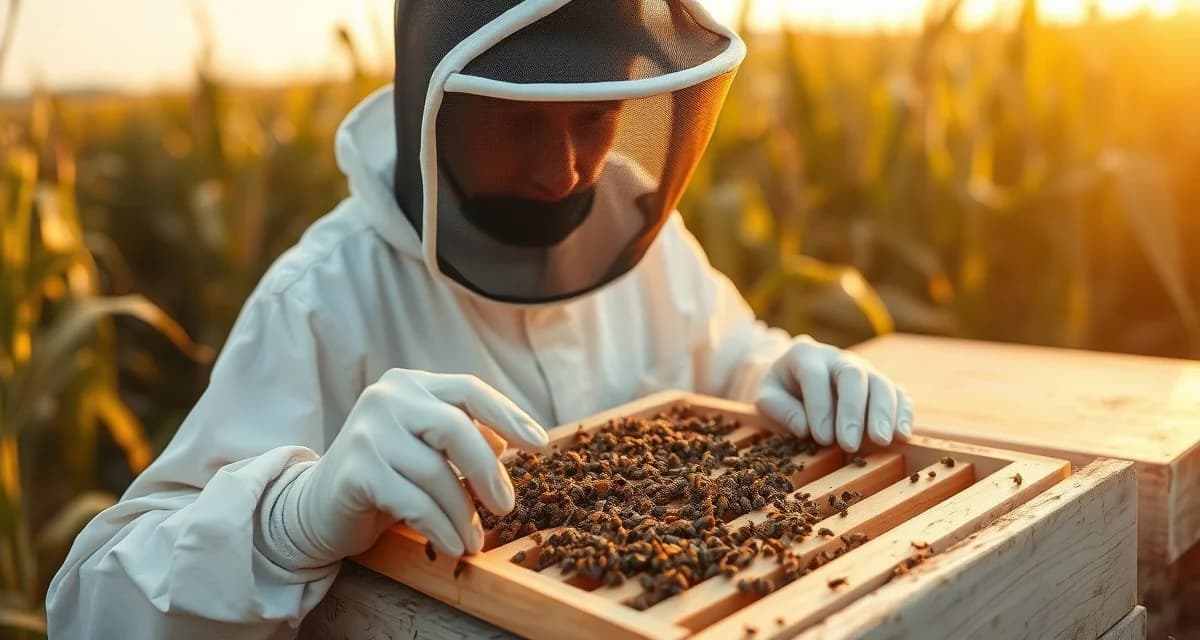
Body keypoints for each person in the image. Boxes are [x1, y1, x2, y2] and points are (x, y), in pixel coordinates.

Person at [46, 1, 913, 638]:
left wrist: (775, 371)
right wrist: (289, 520)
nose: (564, 172)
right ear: (435, 103)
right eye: (516, 124)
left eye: (595, 117)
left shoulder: (640, 219)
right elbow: (91, 607)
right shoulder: (320, 295)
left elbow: (721, 354)